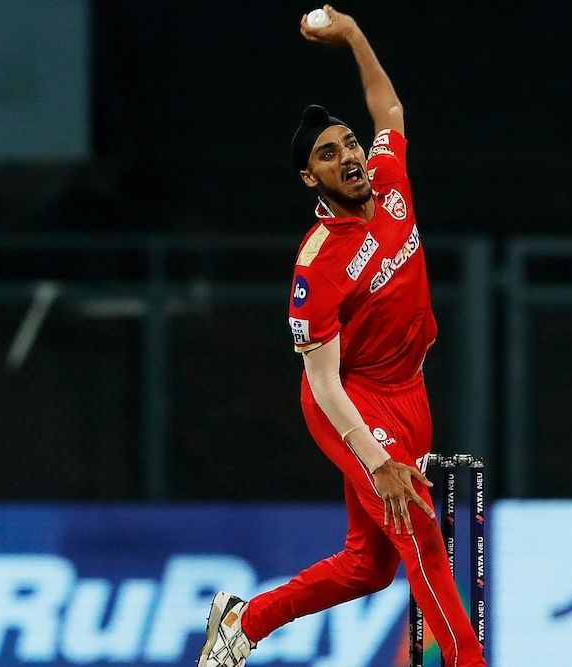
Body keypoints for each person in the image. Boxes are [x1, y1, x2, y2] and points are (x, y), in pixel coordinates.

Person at [196, 6, 486, 667]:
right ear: (310, 178)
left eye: (349, 143)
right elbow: (322, 381)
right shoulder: (317, 261)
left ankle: (248, 620)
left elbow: (390, 109)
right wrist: (375, 457)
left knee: (369, 566)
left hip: (408, 392)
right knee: (420, 528)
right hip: (352, 403)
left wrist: (353, 35)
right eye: (329, 154)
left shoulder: (389, 181)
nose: (350, 155)